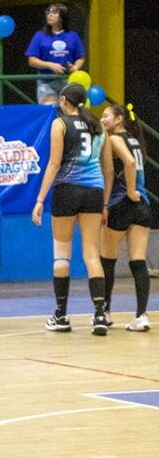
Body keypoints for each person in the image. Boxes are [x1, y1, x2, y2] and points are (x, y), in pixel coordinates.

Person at [32, 84, 113, 336]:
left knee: (61, 254)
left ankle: (61, 315)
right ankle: (100, 315)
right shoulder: (99, 126)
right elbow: (109, 170)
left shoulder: (61, 124)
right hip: (94, 192)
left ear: (64, 100)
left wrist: (40, 199)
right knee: (91, 254)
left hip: (67, 190)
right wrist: (105, 203)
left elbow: (55, 163)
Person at [100, 104, 151, 332]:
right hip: (143, 205)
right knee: (138, 262)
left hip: (122, 203)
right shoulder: (136, 140)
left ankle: (106, 312)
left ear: (119, 119)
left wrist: (128, 192)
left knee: (107, 260)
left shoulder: (115, 140)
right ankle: (141, 316)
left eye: (106, 115)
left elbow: (127, 164)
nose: (102, 119)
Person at [25, 3, 85, 105]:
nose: (50, 15)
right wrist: (50, 65)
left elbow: (81, 57)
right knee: (49, 110)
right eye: (48, 12)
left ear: (62, 16)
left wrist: (75, 68)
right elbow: (32, 60)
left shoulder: (73, 36)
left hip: (67, 80)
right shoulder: (39, 36)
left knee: (69, 111)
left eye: (54, 12)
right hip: (46, 81)